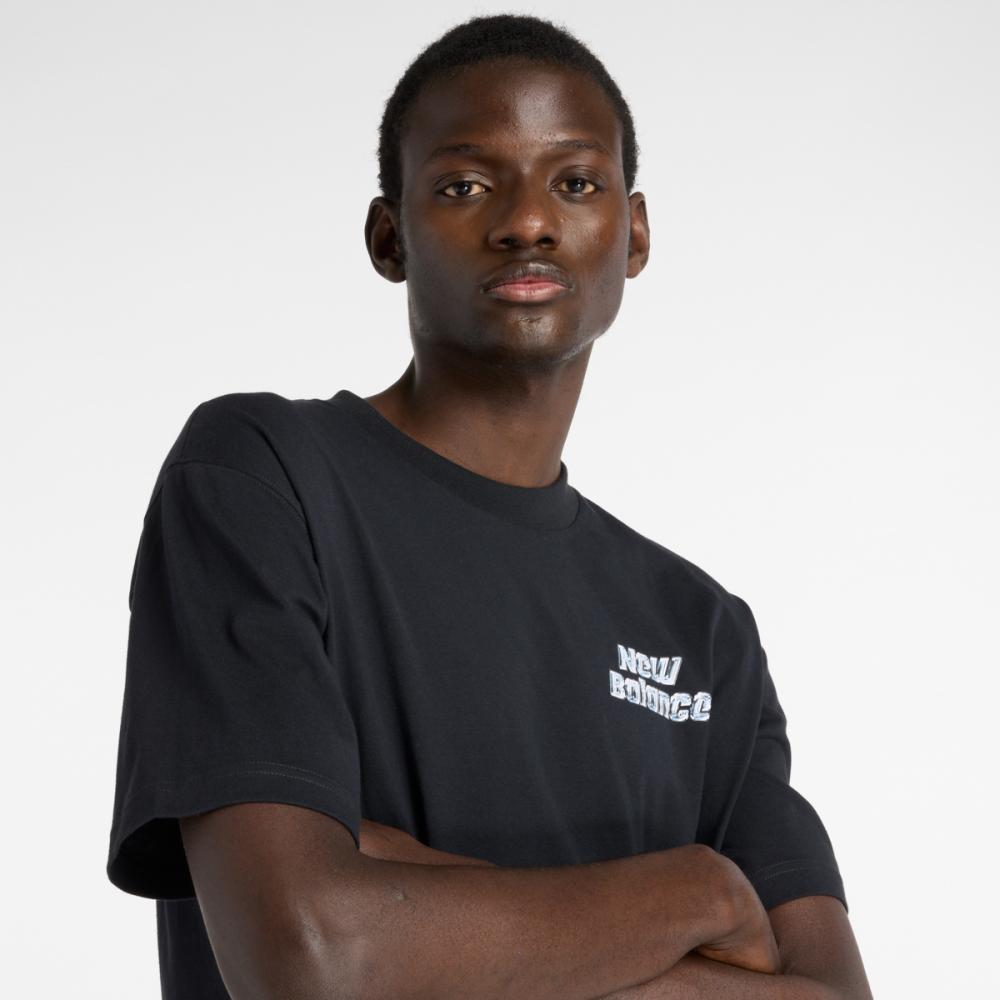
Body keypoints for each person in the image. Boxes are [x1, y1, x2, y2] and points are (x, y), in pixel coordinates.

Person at [106, 13, 873, 999]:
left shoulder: (704, 631)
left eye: (575, 182)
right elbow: (314, 955)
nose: (526, 222)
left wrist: (408, 894)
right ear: (390, 236)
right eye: (465, 185)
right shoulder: (262, 476)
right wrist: (695, 898)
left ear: (635, 233)